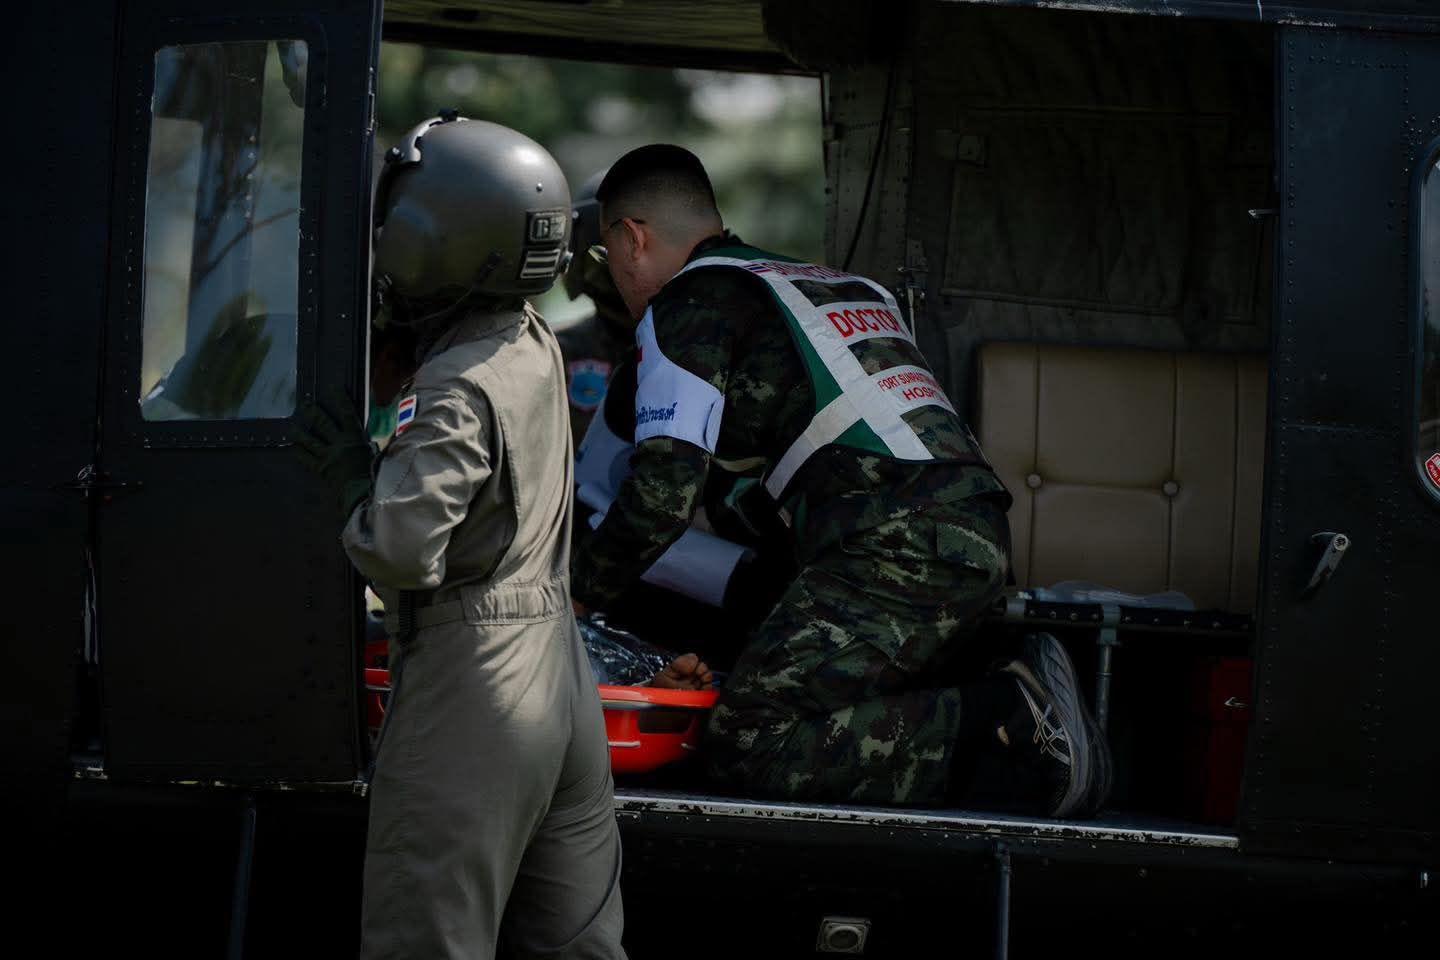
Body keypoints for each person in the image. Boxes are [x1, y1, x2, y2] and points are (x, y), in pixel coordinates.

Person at [570, 144, 1111, 817]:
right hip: (969, 532)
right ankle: (991, 696)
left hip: (889, 547)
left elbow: (661, 497)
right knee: (789, 688)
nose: (616, 278)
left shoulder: (689, 302)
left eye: (609, 256)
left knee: (747, 740)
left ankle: (1009, 722)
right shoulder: (831, 284)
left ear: (632, 239)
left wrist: (574, 595)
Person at [293, 115, 625, 960]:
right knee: (578, 947)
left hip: (476, 685)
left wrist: (355, 482)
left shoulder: (451, 386)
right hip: (559, 682)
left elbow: (402, 550)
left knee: (428, 939)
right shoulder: (532, 337)